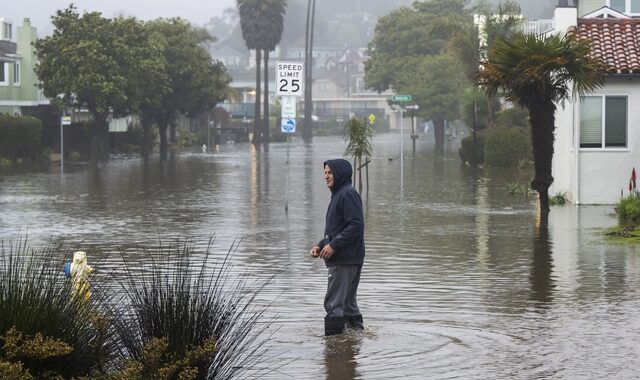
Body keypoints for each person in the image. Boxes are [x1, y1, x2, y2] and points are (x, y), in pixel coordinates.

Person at [309, 159, 365, 336]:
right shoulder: (340, 194)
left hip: (343, 259)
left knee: (334, 304)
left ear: (340, 173)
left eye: (330, 172)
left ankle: (334, 351)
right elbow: (338, 228)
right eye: (325, 173)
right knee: (348, 304)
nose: (326, 176)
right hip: (349, 257)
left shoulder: (346, 194)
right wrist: (321, 245)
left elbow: (356, 225)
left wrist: (333, 245)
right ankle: (354, 343)